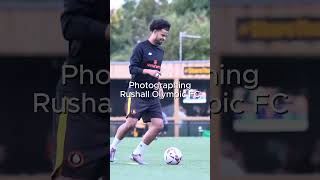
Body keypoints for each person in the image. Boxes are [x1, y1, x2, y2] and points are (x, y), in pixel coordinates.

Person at [51, 0, 109, 179]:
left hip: (114, 100)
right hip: (82, 100)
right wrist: (106, 31)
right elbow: (69, 24)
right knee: (74, 174)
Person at [110, 19, 170, 165]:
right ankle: (112, 148)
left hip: (152, 95)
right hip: (137, 92)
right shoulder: (140, 47)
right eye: (162, 35)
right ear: (155, 31)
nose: (164, 38)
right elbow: (132, 69)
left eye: (166, 36)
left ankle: (137, 153)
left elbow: (157, 72)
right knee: (130, 123)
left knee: (158, 125)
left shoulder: (160, 52)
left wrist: (159, 86)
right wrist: (148, 71)